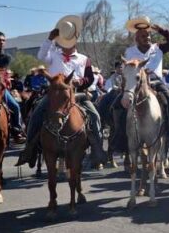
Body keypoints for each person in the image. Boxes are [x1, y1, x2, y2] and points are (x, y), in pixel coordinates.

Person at [17, 15, 106, 166]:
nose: (67, 44)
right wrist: (49, 39)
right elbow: (41, 55)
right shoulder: (53, 55)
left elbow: (89, 78)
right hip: (55, 94)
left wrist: (80, 81)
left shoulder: (84, 59)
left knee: (94, 115)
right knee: (36, 115)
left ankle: (98, 150)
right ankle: (29, 150)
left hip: (77, 94)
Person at [122, 17, 169, 142]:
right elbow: (127, 68)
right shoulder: (129, 51)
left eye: (148, 35)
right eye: (143, 36)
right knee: (117, 104)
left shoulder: (158, 48)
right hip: (136, 83)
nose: (147, 38)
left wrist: (161, 30)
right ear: (136, 38)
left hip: (156, 82)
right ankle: (120, 133)